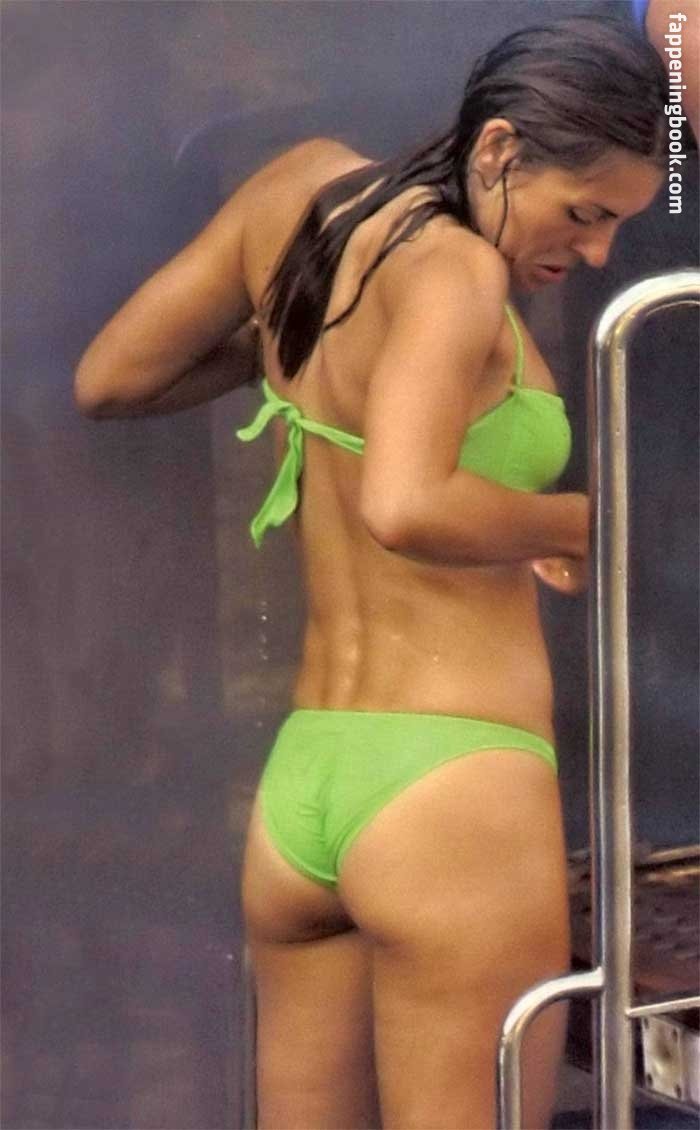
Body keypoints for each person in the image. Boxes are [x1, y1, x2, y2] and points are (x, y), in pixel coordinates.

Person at [74, 14, 667, 1128]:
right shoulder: (455, 270)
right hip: (452, 793)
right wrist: (596, 522)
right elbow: (406, 504)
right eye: (585, 213)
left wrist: (293, 338)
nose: (594, 253)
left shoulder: (300, 192)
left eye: (618, 227)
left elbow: (112, 377)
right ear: (498, 149)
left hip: (308, 784)